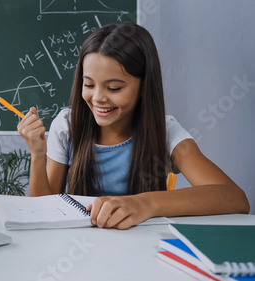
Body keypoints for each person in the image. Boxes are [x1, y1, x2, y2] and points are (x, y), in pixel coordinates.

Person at [17, 22, 250, 230]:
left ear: (143, 88)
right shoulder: (67, 126)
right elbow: (43, 212)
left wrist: (145, 203)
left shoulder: (165, 132)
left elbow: (235, 199)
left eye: (114, 88)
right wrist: (38, 155)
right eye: (89, 84)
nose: (98, 98)